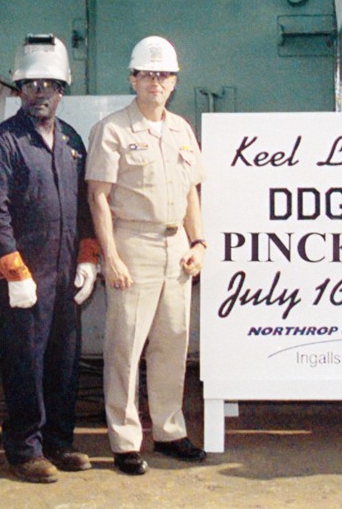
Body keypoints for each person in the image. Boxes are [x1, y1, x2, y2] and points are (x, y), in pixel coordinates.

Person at [0, 34, 98, 483]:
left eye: (48, 84)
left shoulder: (71, 141)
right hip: (22, 277)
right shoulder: (0, 143)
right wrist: (13, 269)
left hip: (65, 272)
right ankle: (25, 448)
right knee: (24, 361)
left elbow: (84, 205)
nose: (39, 93)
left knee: (64, 360)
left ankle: (58, 442)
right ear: (17, 89)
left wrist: (88, 256)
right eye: (30, 85)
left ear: (62, 89)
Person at [87, 35, 207, 476]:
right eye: (147, 74)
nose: (155, 82)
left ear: (174, 82)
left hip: (176, 246)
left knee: (172, 343)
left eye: (164, 75)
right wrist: (110, 257)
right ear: (132, 79)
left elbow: (192, 189)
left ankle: (170, 430)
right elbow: (98, 197)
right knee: (126, 346)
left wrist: (200, 242)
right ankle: (125, 439)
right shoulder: (114, 130)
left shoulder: (181, 130)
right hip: (132, 243)